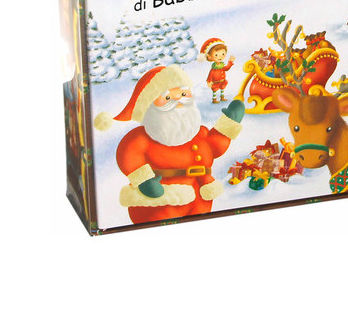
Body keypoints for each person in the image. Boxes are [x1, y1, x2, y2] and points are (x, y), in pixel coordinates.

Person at [93, 64, 245, 224]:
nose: (178, 101)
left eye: (184, 94)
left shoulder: (198, 133)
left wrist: (228, 123)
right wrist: (144, 181)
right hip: (162, 200)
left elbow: (214, 147)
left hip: (199, 196)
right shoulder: (142, 139)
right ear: (149, 106)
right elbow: (129, 155)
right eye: (167, 98)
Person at [200, 37, 235, 103]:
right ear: (209, 57)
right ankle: (214, 99)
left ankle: (222, 97)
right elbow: (210, 75)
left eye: (223, 54)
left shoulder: (222, 66)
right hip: (215, 82)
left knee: (222, 89)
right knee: (215, 90)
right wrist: (209, 81)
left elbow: (226, 68)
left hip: (222, 81)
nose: (220, 57)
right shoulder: (213, 69)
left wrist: (230, 62)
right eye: (216, 55)